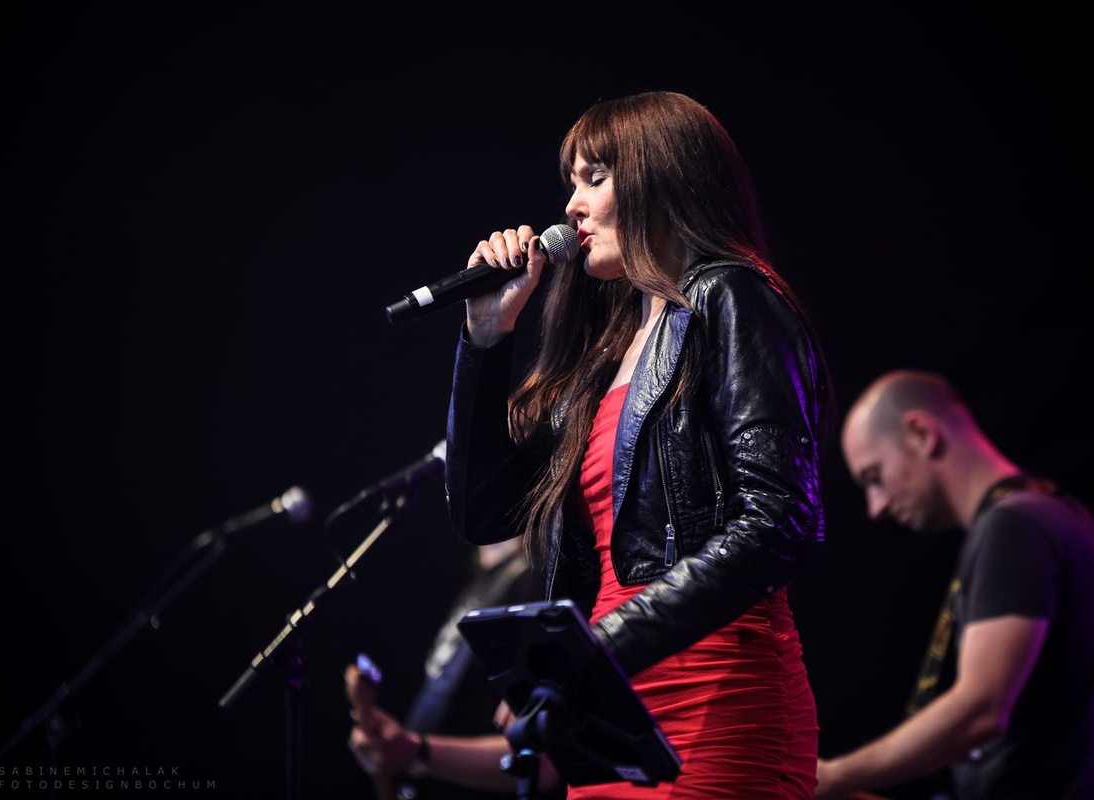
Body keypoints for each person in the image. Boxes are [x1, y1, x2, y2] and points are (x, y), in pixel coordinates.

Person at [443, 90, 833, 799]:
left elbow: (782, 517)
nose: (571, 206)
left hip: (716, 696)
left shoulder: (730, 296)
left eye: (595, 178)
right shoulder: (603, 355)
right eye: (571, 182)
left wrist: (600, 647)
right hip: (608, 716)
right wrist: (486, 337)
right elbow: (484, 512)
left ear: (663, 177)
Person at [815, 369, 1094, 800]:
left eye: (874, 477)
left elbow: (981, 709)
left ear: (921, 434)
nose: (876, 507)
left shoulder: (1015, 526)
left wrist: (836, 777)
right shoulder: (1059, 513)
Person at [347, 536, 565, 799]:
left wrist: (419, 751)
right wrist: (400, 749)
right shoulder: (481, 585)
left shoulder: (533, 582)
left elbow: (545, 763)